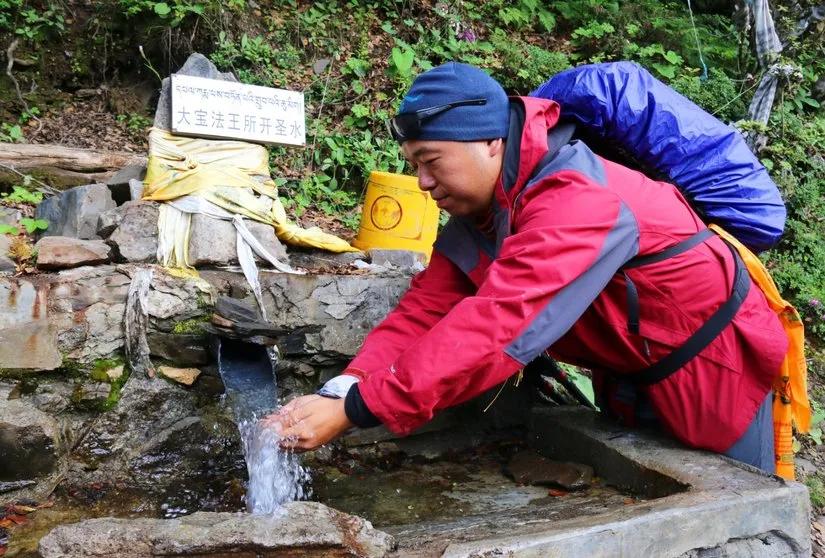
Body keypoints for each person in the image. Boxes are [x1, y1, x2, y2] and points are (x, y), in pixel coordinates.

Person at [263, 62, 787, 472]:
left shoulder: (576, 199)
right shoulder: (482, 214)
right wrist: (345, 386)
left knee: (729, 517)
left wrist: (360, 411)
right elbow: (424, 312)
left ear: (490, 142)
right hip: (627, 368)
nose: (421, 181)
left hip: (714, 368)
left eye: (430, 160)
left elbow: (500, 325)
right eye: (413, 164)